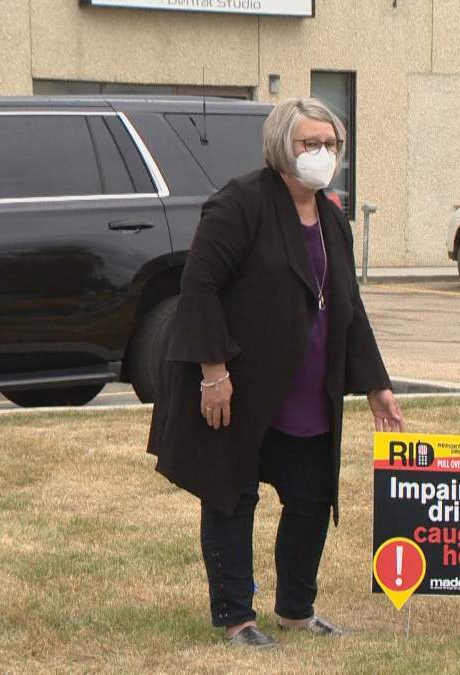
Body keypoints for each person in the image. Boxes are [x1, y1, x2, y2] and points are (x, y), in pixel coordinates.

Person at [146, 97, 404, 649]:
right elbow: (200, 288)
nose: (321, 154)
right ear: (280, 147)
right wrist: (212, 372)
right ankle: (237, 618)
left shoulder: (332, 216)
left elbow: (347, 306)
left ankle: (296, 610)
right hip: (238, 388)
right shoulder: (238, 204)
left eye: (330, 145)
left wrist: (377, 385)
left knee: (311, 498)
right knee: (231, 496)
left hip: (308, 392)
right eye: (309, 144)